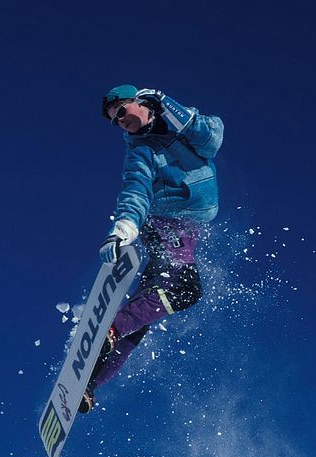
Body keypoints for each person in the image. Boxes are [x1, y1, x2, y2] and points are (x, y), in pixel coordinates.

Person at [80, 84, 224, 413]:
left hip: (185, 231)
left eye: (121, 111)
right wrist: (125, 227)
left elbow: (211, 140)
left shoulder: (186, 127)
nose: (119, 121)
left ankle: (89, 380)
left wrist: (168, 104)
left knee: (146, 311)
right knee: (185, 290)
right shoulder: (140, 150)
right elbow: (136, 189)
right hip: (165, 225)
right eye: (113, 120)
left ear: (142, 101)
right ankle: (111, 329)